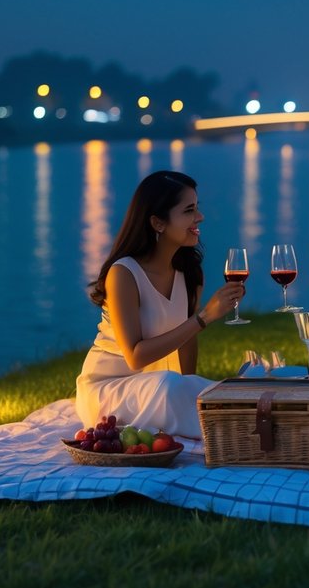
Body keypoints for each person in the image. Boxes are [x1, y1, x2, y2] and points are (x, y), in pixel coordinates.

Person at [75, 170, 245, 438]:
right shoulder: (124, 274)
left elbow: (187, 342)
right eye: (189, 210)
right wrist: (203, 318)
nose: (199, 218)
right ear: (158, 223)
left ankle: (259, 413)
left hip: (156, 387)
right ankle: (241, 431)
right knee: (170, 387)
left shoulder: (189, 272)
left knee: (211, 390)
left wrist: (188, 383)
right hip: (108, 390)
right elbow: (135, 356)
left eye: (197, 208)